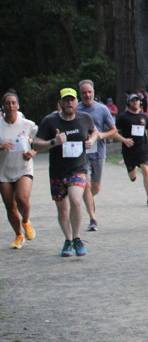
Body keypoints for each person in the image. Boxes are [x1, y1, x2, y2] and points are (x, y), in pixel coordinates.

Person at [33, 88, 98, 257]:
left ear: (77, 102)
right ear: (60, 103)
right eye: (66, 100)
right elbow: (36, 144)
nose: (69, 103)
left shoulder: (85, 118)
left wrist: (91, 140)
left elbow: (94, 131)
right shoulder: (50, 121)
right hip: (58, 172)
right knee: (62, 209)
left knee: (76, 199)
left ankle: (77, 238)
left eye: (72, 100)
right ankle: (68, 240)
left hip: (78, 169)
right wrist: (53, 142)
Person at [76, 79, 118, 233]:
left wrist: (101, 135)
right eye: (84, 93)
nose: (87, 95)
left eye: (89, 92)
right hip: (81, 152)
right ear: (80, 94)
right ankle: (92, 219)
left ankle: (88, 198)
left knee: (95, 187)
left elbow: (114, 131)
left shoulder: (102, 109)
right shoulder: (76, 109)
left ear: (93, 92)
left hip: (98, 151)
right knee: (86, 185)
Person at [1, 92, 37, 249]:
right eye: (7, 103)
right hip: (3, 171)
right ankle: (18, 235)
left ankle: (26, 221)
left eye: (13, 103)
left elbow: (40, 140)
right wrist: (1, 147)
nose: (10, 106)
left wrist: (33, 151)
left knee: (22, 199)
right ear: (3, 106)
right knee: (10, 205)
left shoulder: (27, 124)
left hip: (23, 167)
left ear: (18, 105)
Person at [116, 93, 148, 207]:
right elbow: (114, 132)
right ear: (129, 102)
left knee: (146, 170)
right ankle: (132, 170)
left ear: (140, 102)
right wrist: (124, 140)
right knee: (132, 176)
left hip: (142, 147)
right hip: (129, 149)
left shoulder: (144, 116)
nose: (135, 102)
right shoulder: (123, 117)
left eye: (137, 100)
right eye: (133, 100)